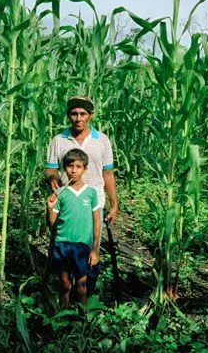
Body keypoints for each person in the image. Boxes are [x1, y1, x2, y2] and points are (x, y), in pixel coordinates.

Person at [44, 95, 118, 291]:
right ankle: (65, 297)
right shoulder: (59, 140)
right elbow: (51, 169)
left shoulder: (102, 140)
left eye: (83, 114)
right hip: (66, 202)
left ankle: (86, 298)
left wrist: (114, 204)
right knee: (63, 245)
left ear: (90, 115)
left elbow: (108, 174)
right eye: (74, 113)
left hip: (94, 202)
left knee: (90, 249)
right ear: (69, 115)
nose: (78, 118)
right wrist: (52, 179)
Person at [46, 148, 101, 308]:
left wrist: (94, 249)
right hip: (62, 244)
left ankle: (82, 317)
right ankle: (63, 316)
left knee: (82, 286)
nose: (74, 170)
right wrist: (50, 207)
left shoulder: (91, 193)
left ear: (85, 169)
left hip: (82, 246)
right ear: (64, 168)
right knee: (64, 285)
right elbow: (52, 223)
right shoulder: (60, 193)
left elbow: (96, 222)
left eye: (78, 166)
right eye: (70, 166)